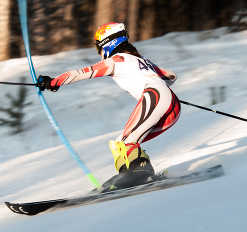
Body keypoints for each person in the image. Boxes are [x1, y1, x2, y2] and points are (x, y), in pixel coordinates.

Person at [37, 22, 181, 192]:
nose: (98, 52)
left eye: (99, 47)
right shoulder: (141, 60)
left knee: (127, 142)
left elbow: (85, 72)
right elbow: (171, 75)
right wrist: (157, 83)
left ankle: (140, 172)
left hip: (155, 96)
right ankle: (131, 173)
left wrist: (53, 82)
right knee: (120, 143)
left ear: (108, 43)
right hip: (172, 105)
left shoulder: (117, 60)